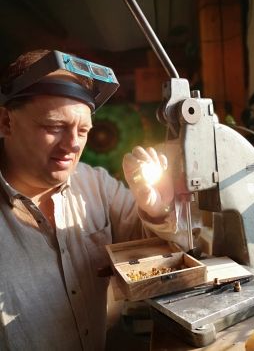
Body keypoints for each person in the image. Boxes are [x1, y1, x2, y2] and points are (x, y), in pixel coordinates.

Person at [0, 49, 177, 350]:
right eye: (54, 127)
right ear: (5, 122)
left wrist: (155, 211)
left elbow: (164, 257)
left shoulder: (96, 185)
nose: (72, 144)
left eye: (83, 131)